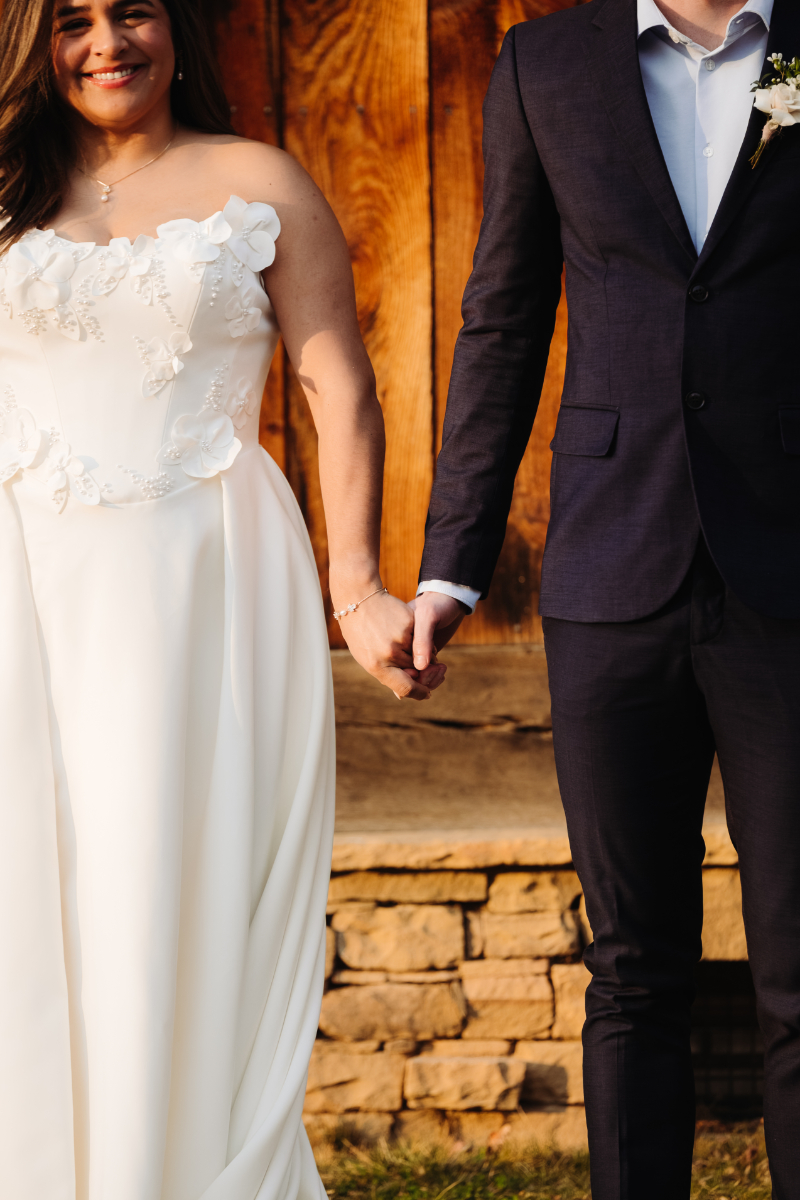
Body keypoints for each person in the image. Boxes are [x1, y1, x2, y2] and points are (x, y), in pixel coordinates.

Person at [0, 1, 443, 1197]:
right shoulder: (3, 190)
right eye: (73, 20)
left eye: (130, 10)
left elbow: (336, 385)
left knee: (161, 875)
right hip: (23, 586)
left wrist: (352, 584)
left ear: (175, 29)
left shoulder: (257, 181)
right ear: (35, 41)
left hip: (198, 581)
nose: (106, 42)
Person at [410, 0, 800, 1196]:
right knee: (632, 971)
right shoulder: (543, 62)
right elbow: (502, 314)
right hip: (607, 568)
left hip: (788, 572)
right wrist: (449, 561)